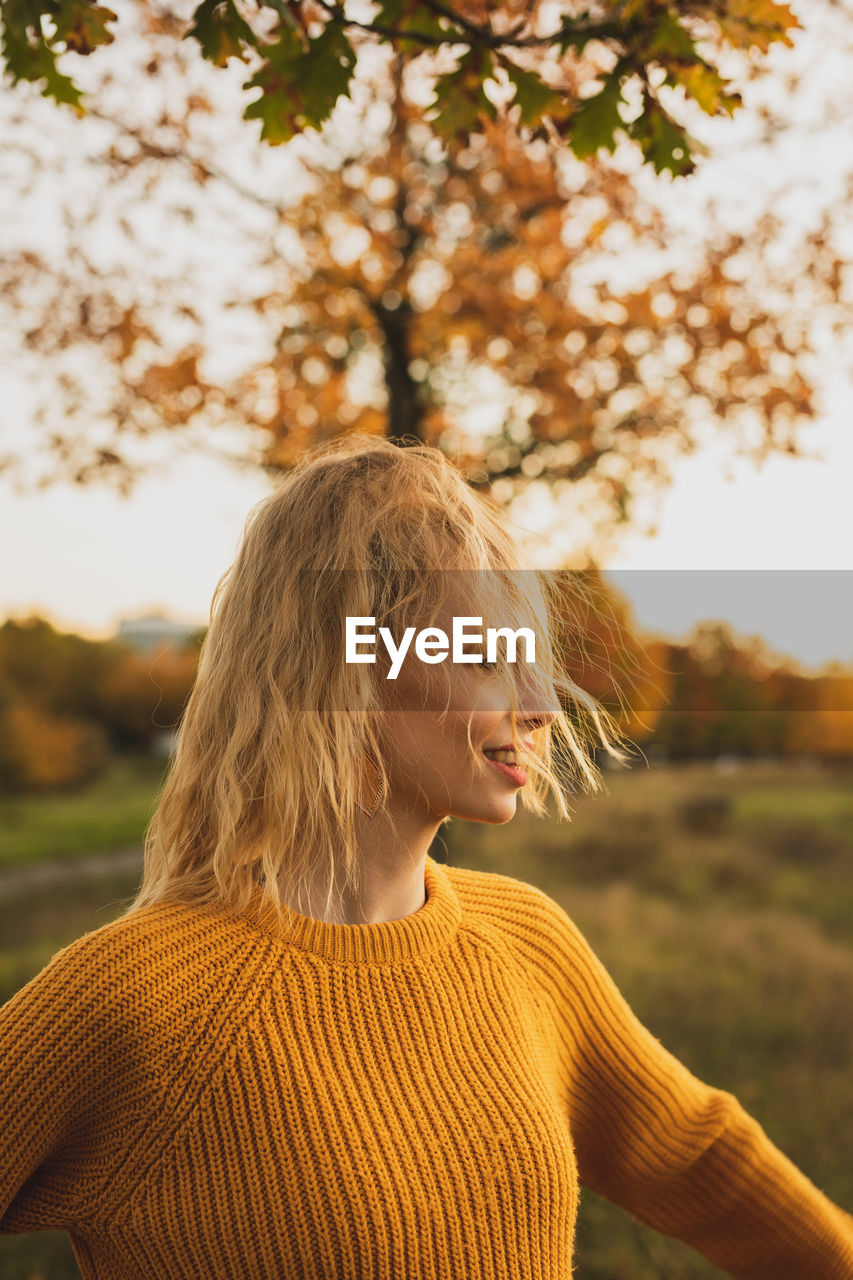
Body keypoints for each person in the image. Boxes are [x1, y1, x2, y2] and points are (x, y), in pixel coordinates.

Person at [1, 434, 851, 1280]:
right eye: (485, 657)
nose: (540, 706)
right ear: (348, 674)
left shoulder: (522, 940)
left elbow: (693, 1155)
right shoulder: (145, 1001)